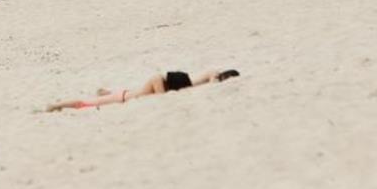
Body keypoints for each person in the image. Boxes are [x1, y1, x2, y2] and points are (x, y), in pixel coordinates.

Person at [46, 69, 240, 112]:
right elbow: (157, 79)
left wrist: (215, 78)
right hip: (121, 98)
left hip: (126, 93)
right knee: (84, 104)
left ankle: (104, 91)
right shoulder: (159, 87)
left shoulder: (183, 88)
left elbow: (205, 77)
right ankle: (56, 105)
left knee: (91, 101)